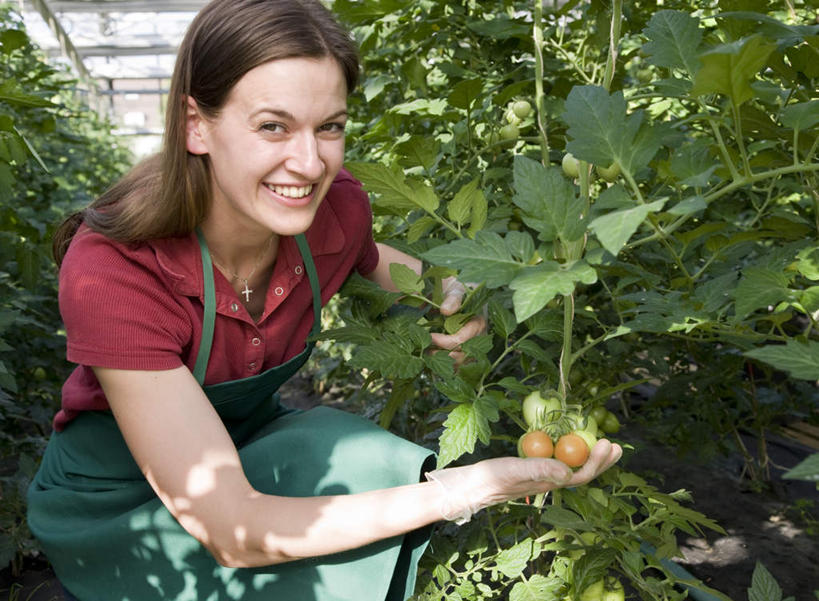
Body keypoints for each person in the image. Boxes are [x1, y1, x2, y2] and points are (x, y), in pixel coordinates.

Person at [26, 0, 622, 599]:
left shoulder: (333, 211)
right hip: (120, 508)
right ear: (195, 125)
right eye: (273, 126)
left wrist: (453, 292)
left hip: (246, 454)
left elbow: (372, 256)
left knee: (356, 456)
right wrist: (462, 491)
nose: (310, 164)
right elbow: (232, 529)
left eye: (330, 127)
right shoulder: (115, 271)